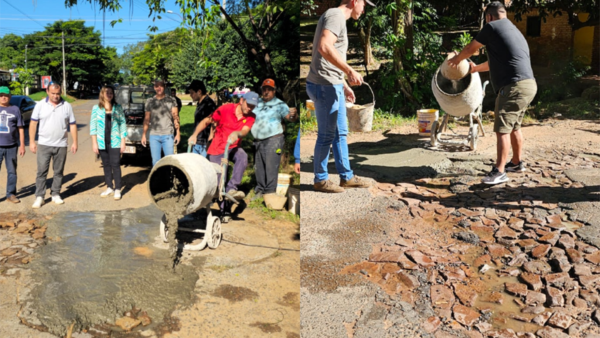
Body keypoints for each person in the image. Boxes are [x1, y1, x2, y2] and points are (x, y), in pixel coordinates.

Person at [448, 1, 537, 185]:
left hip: (513, 87)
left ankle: (499, 171)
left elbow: (470, 49)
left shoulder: (492, 27)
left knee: (502, 129)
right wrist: (475, 69)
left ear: (489, 16)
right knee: (514, 126)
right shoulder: (513, 30)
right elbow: (497, 63)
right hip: (528, 85)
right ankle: (516, 163)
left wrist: (456, 60)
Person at [306, 0, 374, 193]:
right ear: (355, 1)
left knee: (340, 133)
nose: (364, 9)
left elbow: (327, 57)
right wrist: (350, 71)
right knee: (327, 135)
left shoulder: (336, 17)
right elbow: (324, 47)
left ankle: (347, 176)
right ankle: (320, 180)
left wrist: (343, 84)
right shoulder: (336, 16)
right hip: (325, 85)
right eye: (364, 4)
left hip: (332, 83)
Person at [188, 92, 258, 222]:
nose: (250, 108)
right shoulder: (226, 109)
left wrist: (237, 133)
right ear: (242, 100)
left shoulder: (251, 116)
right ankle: (222, 209)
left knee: (242, 156)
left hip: (232, 147)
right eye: (249, 105)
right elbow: (207, 121)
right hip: (217, 149)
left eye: (253, 106)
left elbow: (245, 131)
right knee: (220, 181)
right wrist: (195, 134)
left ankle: (232, 189)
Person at [29, 82, 78, 208]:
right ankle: (40, 196)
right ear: (47, 91)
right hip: (44, 144)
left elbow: (72, 124)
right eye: (53, 93)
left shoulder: (67, 106)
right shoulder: (40, 105)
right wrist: (32, 142)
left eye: (58, 93)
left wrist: (75, 142)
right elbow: (33, 124)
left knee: (58, 171)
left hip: (61, 144)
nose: (56, 96)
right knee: (41, 172)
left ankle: (55, 193)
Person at [250, 79, 298, 199]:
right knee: (259, 166)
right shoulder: (257, 103)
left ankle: (270, 193)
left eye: (269, 89)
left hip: (274, 139)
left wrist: (294, 115)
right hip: (258, 140)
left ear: (274, 91)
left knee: (271, 167)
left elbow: (291, 118)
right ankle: (260, 191)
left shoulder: (280, 104)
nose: (266, 92)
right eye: (264, 89)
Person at [90, 85, 127, 200]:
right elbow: (93, 126)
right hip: (102, 141)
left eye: (111, 92)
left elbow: (123, 124)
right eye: (107, 92)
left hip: (115, 141)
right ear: (102, 94)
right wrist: (94, 143)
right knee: (106, 165)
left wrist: (123, 141)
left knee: (115, 164)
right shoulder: (96, 108)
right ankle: (109, 187)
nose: (109, 94)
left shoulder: (118, 107)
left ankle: (117, 189)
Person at [141, 79, 180, 166]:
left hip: (168, 135)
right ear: (154, 88)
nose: (159, 88)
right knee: (156, 161)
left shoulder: (171, 100)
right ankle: (157, 179)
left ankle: (168, 179)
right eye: (157, 86)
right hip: (154, 135)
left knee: (169, 160)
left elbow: (176, 117)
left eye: (161, 86)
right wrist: (144, 135)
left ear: (164, 87)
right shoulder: (150, 101)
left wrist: (178, 133)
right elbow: (147, 119)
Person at [0, 86, 26, 204]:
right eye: (1, 95)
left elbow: (20, 128)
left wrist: (22, 145)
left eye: (5, 95)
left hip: (12, 146)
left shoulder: (15, 109)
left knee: (12, 171)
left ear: (10, 96)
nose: (3, 97)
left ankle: (10, 194)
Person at [186, 80, 216, 157]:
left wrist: (209, 141)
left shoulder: (209, 105)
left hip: (204, 145)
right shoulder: (200, 103)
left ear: (199, 91)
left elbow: (212, 123)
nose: (190, 95)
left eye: (192, 93)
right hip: (197, 142)